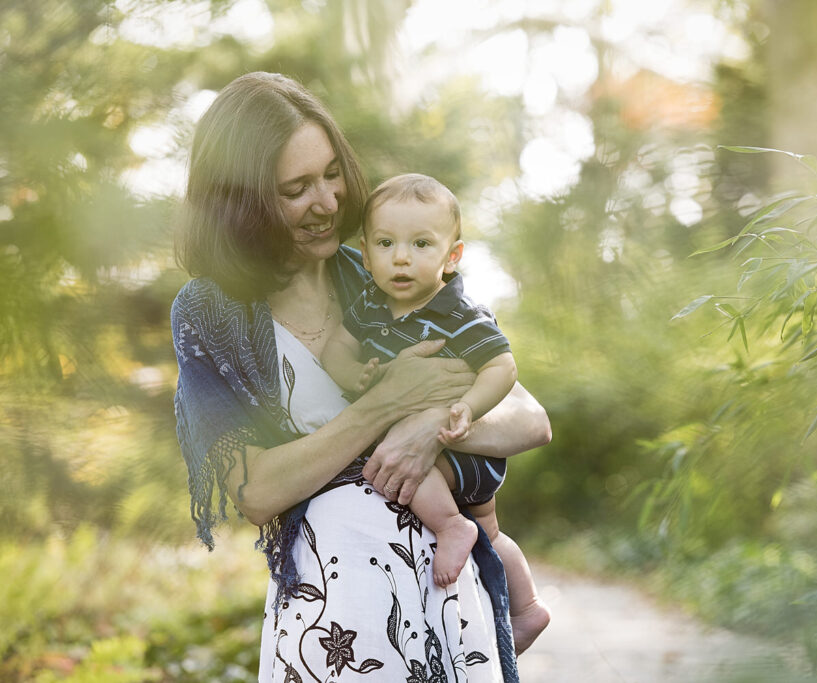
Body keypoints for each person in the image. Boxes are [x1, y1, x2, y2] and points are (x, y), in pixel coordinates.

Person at [170, 71, 551, 683]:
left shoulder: (387, 275)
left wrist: (430, 425)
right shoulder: (212, 313)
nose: (327, 203)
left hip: (440, 585)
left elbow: (529, 419)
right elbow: (255, 491)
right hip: (333, 610)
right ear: (240, 202)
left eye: (331, 175)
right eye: (295, 188)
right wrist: (381, 410)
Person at [320, 173, 551, 653]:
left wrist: (467, 407)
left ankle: (450, 525)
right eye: (386, 243)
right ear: (365, 254)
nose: (401, 257)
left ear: (452, 257)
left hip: (461, 447)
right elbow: (336, 349)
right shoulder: (369, 303)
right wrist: (351, 375)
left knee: (405, 458)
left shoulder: (460, 314)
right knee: (492, 532)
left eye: (422, 244)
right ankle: (527, 609)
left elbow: (502, 367)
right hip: (456, 456)